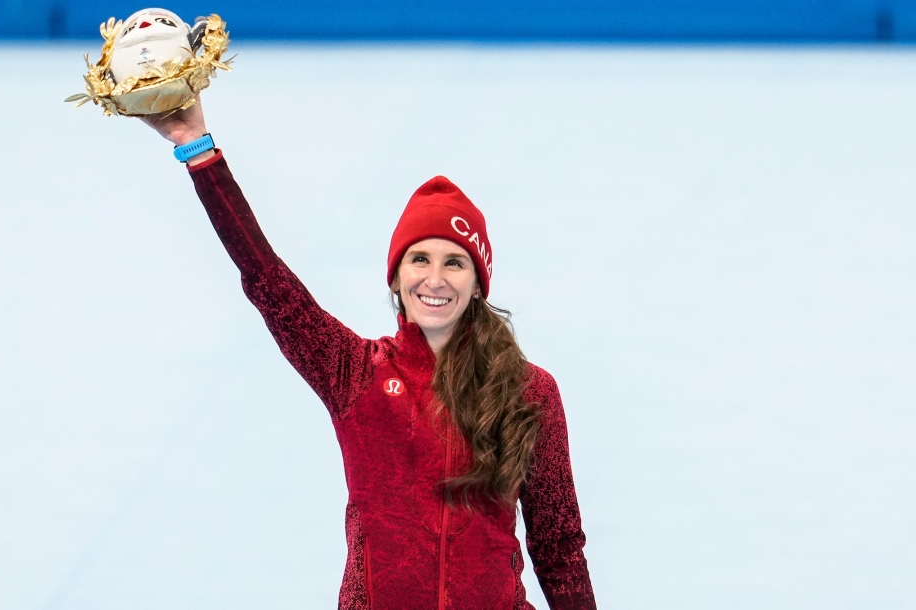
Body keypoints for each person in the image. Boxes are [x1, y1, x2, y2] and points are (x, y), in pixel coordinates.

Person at [140, 99, 596, 610]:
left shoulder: (529, 391)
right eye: (419, 258)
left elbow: (558, 547)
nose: (436, 279)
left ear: (478, 282)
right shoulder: (355, 374)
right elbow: (267, 280)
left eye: (456, 263)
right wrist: (198, 149)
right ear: (397, 277)